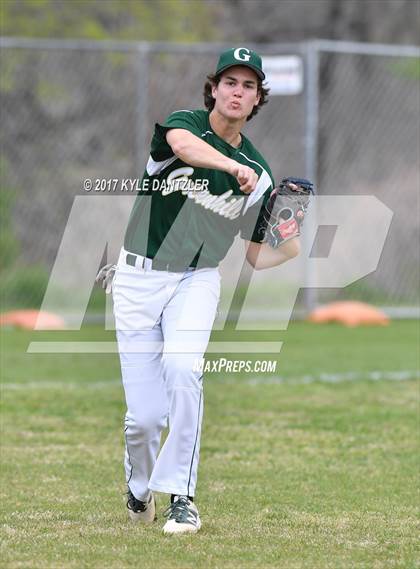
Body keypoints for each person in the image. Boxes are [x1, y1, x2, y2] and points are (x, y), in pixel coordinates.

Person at [110, 47, 300, 535]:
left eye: (249, 86)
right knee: (144, 420)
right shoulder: (185, 124)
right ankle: (138, 489)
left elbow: (260, 254)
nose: (239, 92)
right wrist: (231, 168)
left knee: (184, 367)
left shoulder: (259, 173)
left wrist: (291, 238)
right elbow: (187, 147)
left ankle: (182, 497)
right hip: (137, 278)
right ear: (214, 88)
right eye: (231, 82)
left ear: (258, 99)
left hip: (197, 279)